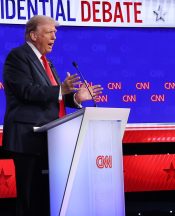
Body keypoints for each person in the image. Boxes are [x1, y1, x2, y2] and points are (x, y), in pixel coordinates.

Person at [1, 15, 103, 215]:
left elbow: (54, 97)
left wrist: (76, 98)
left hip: (50, 140)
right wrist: (60, 89)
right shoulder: (18, 57)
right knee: (29, 200)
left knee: (45, 198)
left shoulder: (47, 62)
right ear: (33, 35)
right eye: (49, 32)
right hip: (27, 138)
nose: (54, 37)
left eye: (55, 33)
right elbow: (26, 91)